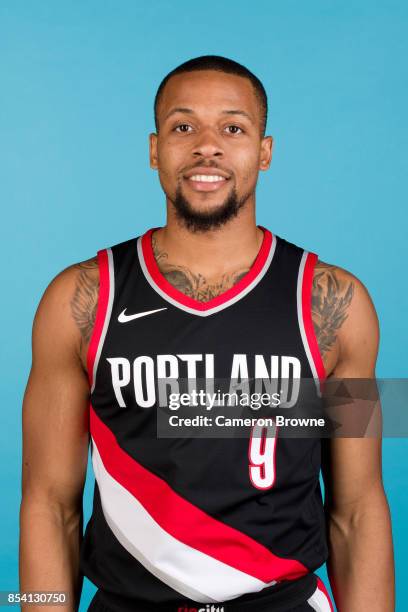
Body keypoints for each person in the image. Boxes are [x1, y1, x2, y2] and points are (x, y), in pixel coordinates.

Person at [20, 56, 394, 612]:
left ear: (264, 152)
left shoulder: (338, 306)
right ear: (154, 150)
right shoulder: (80, 300)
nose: (207, 147)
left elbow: (358, 509)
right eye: (183, 126)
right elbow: (49, 503)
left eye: (233, 128)